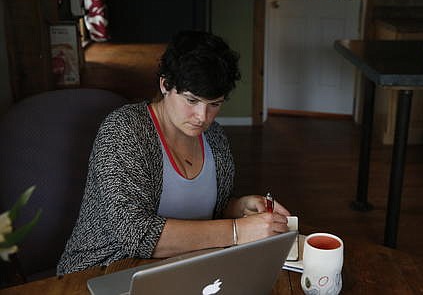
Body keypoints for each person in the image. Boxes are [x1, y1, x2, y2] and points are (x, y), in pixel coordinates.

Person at [57, 31, 291, 275]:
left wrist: (239, 207)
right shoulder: (124, 131)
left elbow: (212, 209)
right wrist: (237, 231)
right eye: (191, 100)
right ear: (165, 84)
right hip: (102, 272)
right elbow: (136, 234)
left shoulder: (215, 138)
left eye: (215, 104)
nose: (202, 117)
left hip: (177, 270)